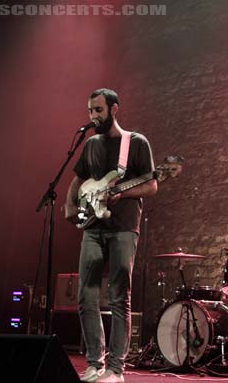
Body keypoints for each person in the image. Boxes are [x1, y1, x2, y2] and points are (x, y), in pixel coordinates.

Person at [64, 88, 157, 383]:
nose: (93, 116)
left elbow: (153, 185)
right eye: (90, 111)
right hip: (92, 227)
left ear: (114, 109)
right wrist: (69, 203)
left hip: (123, 227)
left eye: (99, 110)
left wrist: (123, 194)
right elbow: (78, 179)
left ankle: (116, 369)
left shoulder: (136, 143)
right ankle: (94, 363)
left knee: (119, 297)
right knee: (85, 296)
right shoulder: (90, 144)